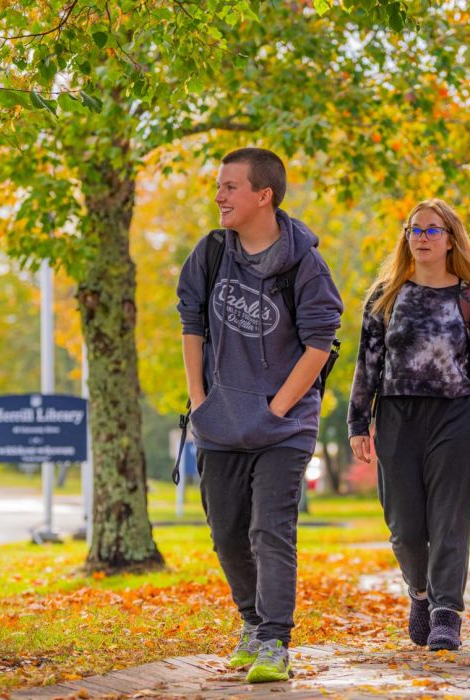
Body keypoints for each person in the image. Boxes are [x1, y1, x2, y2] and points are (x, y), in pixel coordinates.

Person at [176, 147, 343, 683]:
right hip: (220, 422)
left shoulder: (305, 264)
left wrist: (278, 407)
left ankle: (274, 641)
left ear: (263, 195)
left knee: (270, 530)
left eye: (230, 186)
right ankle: (251, 623)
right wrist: (200, 400)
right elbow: (191, 325)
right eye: (219, 186)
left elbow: (321, 343)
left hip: (284, 428)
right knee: (226, 533)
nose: (219, 196)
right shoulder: (211, 253)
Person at [348, 199, 470, 652]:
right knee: (403, 526)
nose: (420, 237)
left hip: (454, 417)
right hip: (397, 416)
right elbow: (367, 364)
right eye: (414, 230)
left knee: (449, 521)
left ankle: (446, 613)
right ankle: (419, 593)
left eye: (431, 230)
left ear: (450, 239)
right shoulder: (386, 295)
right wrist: (358, 421)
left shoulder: (469, 298)